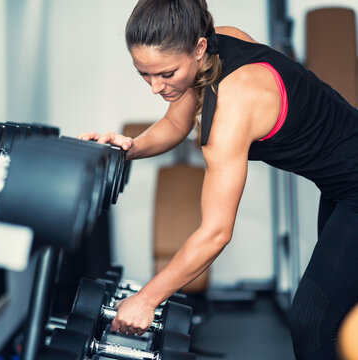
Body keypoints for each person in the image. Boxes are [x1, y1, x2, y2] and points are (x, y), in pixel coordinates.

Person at [77, 0, 358, 359]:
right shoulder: (218, 44)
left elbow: (216, 232)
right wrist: (128, 148)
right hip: (341, 187)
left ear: (198, 48)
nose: (155, 87)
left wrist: (147, 299)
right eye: (143, 74)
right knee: (343, 311)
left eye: (166, 74)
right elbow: (177, 123)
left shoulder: (233, 105)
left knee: (312, 321)